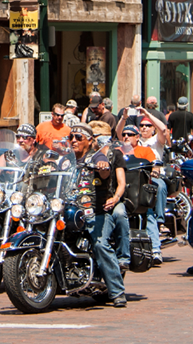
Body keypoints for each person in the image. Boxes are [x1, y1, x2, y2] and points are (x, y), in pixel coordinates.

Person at [70, 122, 126, 307]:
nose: (73, 140)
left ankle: (117, 291)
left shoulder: (97, 156)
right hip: (70, 212)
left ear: (90, 140)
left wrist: (103, 167)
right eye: (71, 137)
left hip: (95, 212)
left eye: (78, 137)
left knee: (100, 244)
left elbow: (104, 171)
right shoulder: (66, 159)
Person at [120, 121, 166, 266]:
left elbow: (155, 164)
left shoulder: (145, 150)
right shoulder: (118, 152)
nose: (126, 137)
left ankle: (155, 249)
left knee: (149, 211)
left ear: (137, 137)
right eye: (124, 134)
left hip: (140, 188)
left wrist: (155, 170)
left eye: (130, 134)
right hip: (122, 190)